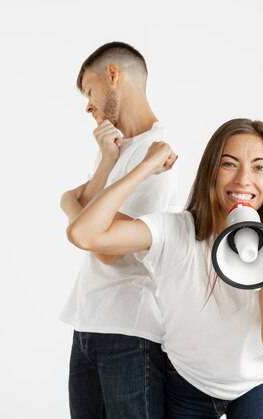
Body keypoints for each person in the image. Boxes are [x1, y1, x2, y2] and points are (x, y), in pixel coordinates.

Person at [67, 118, 263, 418]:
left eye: (259, 167)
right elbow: (84, 234)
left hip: (255, 384)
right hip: (188, 381)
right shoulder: (175, 232)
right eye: (229, 164)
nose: (243, 179)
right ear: (211, 171)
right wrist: (146, 168)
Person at [59, 42, 180, 419]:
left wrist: (75, 204)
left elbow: (106, 248)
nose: (87, 105)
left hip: (131, 334)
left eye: (89, 90)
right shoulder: (113, 147)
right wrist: (107, 161)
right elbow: (72, 207)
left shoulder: (161, 156)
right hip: (86, 325)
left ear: (113, 75)